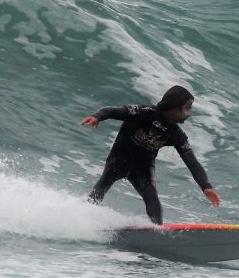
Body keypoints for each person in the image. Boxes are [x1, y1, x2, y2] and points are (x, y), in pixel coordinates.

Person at [80, 85, 221, 225]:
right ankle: (81, 219)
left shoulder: (176, 135)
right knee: (99, 191)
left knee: (152, 199)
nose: (189, 113)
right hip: (119, 161)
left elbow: (192, 162)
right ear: (174, 107)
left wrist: (205, 186)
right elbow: (112, 111)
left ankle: (157, 232)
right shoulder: (143, 112)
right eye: (187, 108)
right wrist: (97, 117)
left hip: (142, 169)